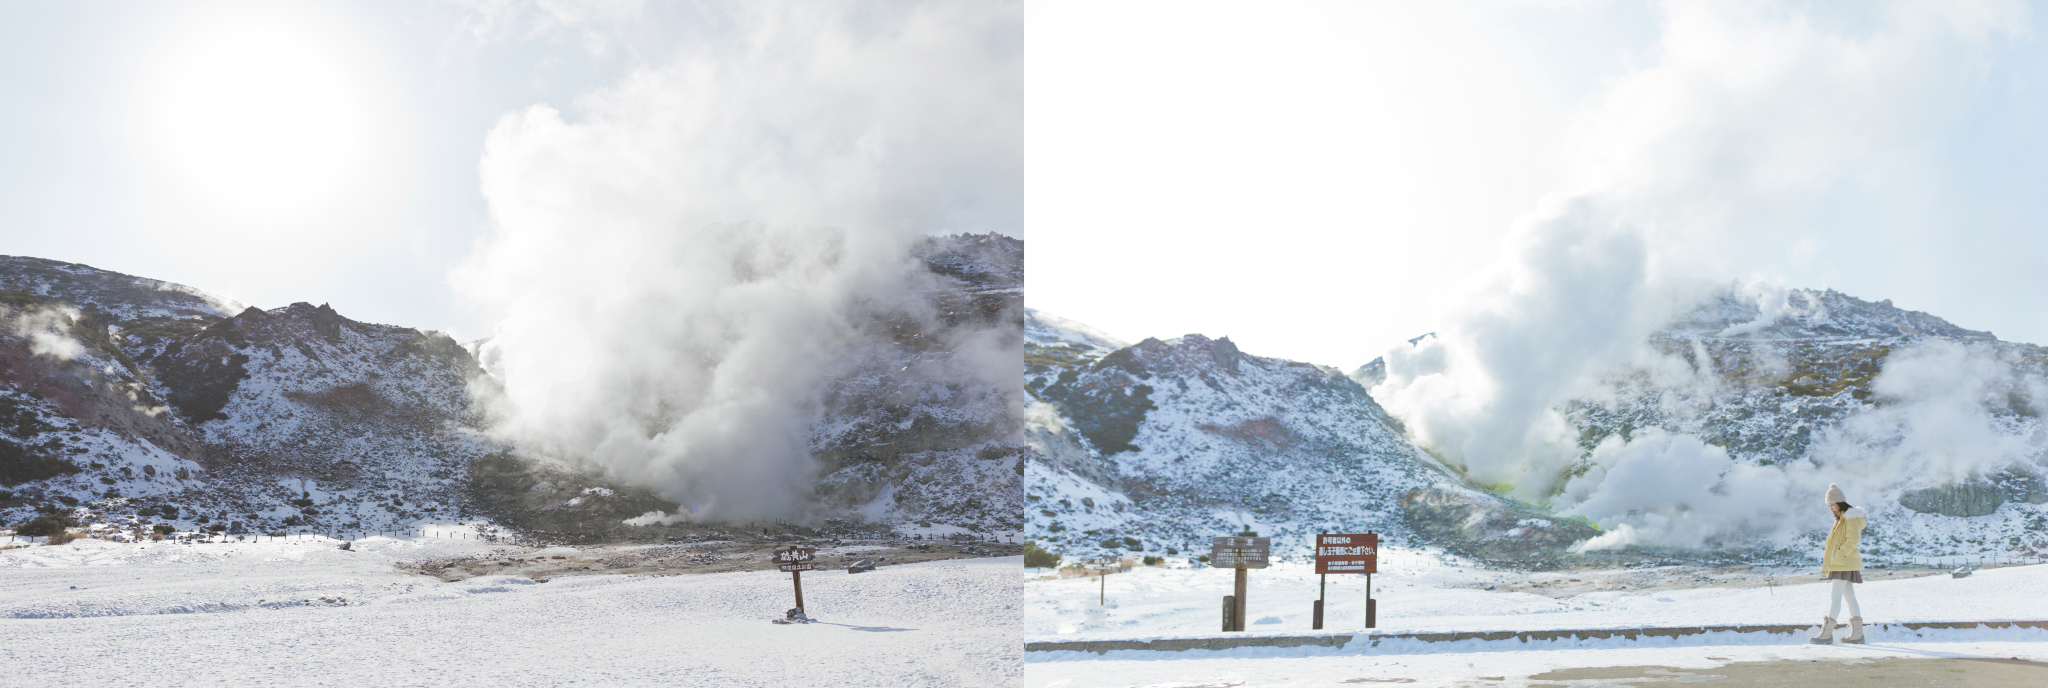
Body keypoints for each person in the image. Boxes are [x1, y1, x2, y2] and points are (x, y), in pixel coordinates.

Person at [1812, 483, 1867, 644]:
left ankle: (1826, 634)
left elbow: (1854, 539)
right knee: (1850, 597)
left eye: (1832, 505)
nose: (1830, 508)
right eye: (1828, 505)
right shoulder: (1841, 519)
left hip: (1843, 563)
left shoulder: (1849, 517)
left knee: (1835, 597)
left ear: (1839, 502)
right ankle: (1858, 634)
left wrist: (1840, 553)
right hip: (1843, 563)